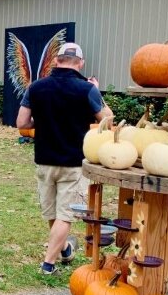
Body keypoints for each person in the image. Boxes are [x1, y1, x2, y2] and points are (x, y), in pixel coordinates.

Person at [16, 43, 113, 275]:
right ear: (80, 63)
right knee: (65, 216)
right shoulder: (86, 89)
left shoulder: (36, 87)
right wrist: (96, 90)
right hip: (73, 162)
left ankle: (64, 250)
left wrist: (38, 123)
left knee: (54, 213)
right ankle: (48, 265)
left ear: (57, 61)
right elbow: (107, 121)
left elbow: (21, 124)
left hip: (44, 159)